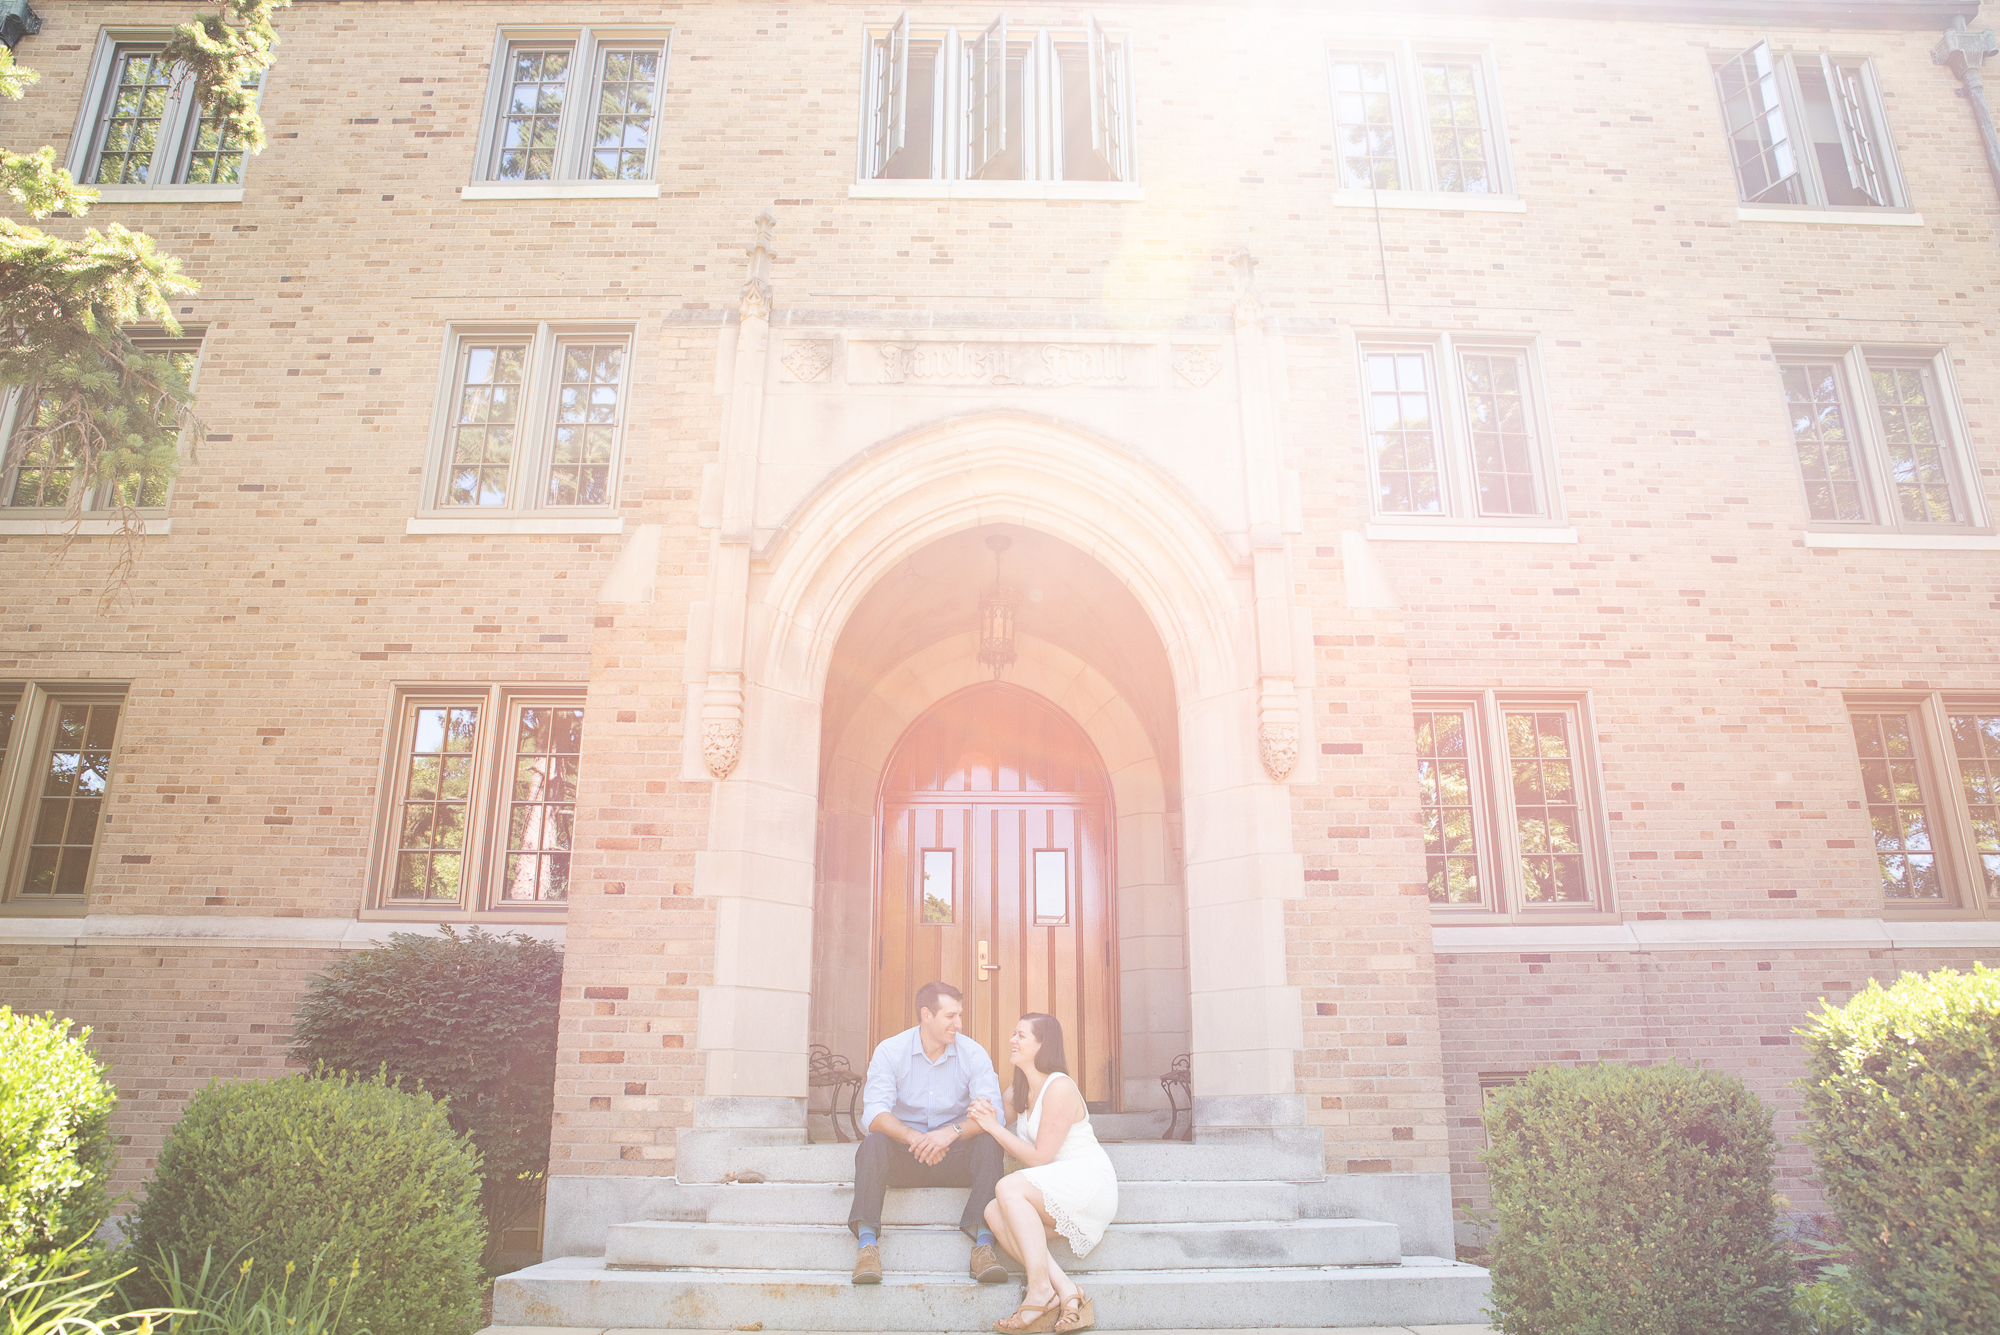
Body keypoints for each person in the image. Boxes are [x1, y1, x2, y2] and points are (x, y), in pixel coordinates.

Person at [848, 980, 1010, 1286]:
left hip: (955, 1157)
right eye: (950, 1016)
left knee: (989, 1142)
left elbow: (994, 1115)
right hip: (905, 1157)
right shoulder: (891, 1051)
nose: (958, 1024)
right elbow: (874, 1114)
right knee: (873, 1143)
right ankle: (866, 1246)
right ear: (926, 1014)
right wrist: (914, 1137)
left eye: (959, 1015)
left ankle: (983, 1246)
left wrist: (951, 1132)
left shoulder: (972, 1053)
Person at [967, 1013, 1117, 1335]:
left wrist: (993, 1127)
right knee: (993, 1210)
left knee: (1006, 1188)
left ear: (1041, 1044)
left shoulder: (1060, 1086)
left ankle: (1038, 1291)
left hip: (1085, 1179)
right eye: (1014, 1033)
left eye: (1020, 1035)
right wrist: (952, 1129)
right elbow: (983, 1119)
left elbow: (1040, 1157)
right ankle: (1064, 1291)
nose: (1012, 1040)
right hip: (1052, 1184)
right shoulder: (1018, 1090)